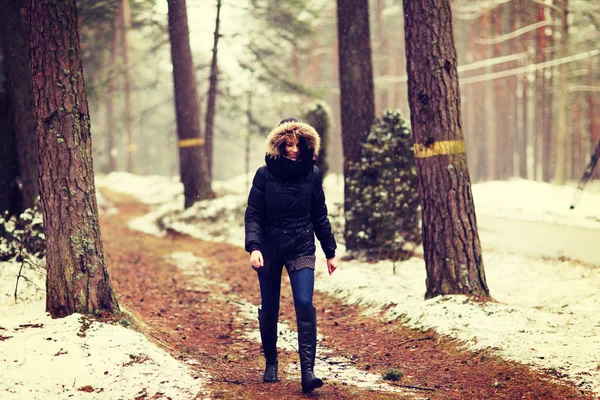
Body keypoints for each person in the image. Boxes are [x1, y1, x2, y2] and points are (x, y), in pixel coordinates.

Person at [244, 117, 339, 393]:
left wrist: (330, 251)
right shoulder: (264, 175)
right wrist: (255, 247)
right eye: (288, 144)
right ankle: (271, 362)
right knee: (270, 307)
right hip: (270, 251)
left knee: (303, 302)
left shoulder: (312, 174)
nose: (294, 149)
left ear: (307, 144)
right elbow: (254, 215)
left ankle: (308, 372)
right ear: (280, 144)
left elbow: (319, 214)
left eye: (298, 144)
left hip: (301, 247)